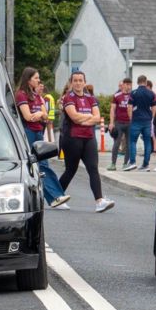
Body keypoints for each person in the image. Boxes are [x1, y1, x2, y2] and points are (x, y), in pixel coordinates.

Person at [16, 68, 71, 209]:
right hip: (28, 133)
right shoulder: (21, 95)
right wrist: (39, 114)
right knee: (37, 166)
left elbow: (45, 116)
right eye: (35, 78)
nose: (38, 80)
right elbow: (28, 117)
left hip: (39, 132)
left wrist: (40, 114)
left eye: (38, 77)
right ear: (28, 79)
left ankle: (56, 197)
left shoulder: (37, 95)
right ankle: (55, 197)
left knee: (43, 164)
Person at [60, 71, 114, 212]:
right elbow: (74, 117)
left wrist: (84, 119)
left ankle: (99, 201)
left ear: (84, 82)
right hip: (72, 139)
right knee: (71, 170)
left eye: (80, 80)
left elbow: (97, 118)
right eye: (75, 80)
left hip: (89, 138)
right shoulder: (68, 97)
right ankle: (56, 196)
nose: (78, 83)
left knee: (93, 168)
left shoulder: (91, 98)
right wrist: (88, 116)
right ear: (71, 83)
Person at [125, 75, 156, 171]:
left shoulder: (133, 93)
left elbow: (129, 107)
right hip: (147, 121)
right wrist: (151, 117)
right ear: (146, 82)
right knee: (147, 142)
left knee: (132, 141)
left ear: (137, 82)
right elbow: (154, 107)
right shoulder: (151, 93)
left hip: (136, 120)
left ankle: (132, 162)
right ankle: (145, 165)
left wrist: (131, 118)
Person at [107, 78, 132, 171]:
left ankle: (125, 164)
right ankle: (113, 164)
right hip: (119, 123)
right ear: (123, 85)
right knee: (117, 143)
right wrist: (111, 123)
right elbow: (112, 109)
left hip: (130, 123)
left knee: (129, 144)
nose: (129, 87)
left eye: (130, 85)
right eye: (127, 84)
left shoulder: (133, 96)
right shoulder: (117, 96)